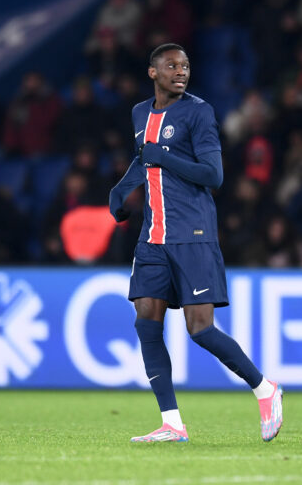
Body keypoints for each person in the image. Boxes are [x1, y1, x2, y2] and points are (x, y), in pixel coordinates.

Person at [108, 43, 283, 443]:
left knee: (200, 329)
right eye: (171, 65)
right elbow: (145, 157)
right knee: (146, 322)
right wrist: (121, 191)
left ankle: (264, 388)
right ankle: (172, 423)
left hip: (193, 235)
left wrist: (163, 156)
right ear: (153, 72)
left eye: (185, 65)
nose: (180, 71)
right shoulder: (139, 113)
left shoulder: (199, 112)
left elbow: (213, 174)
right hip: (153, 237)